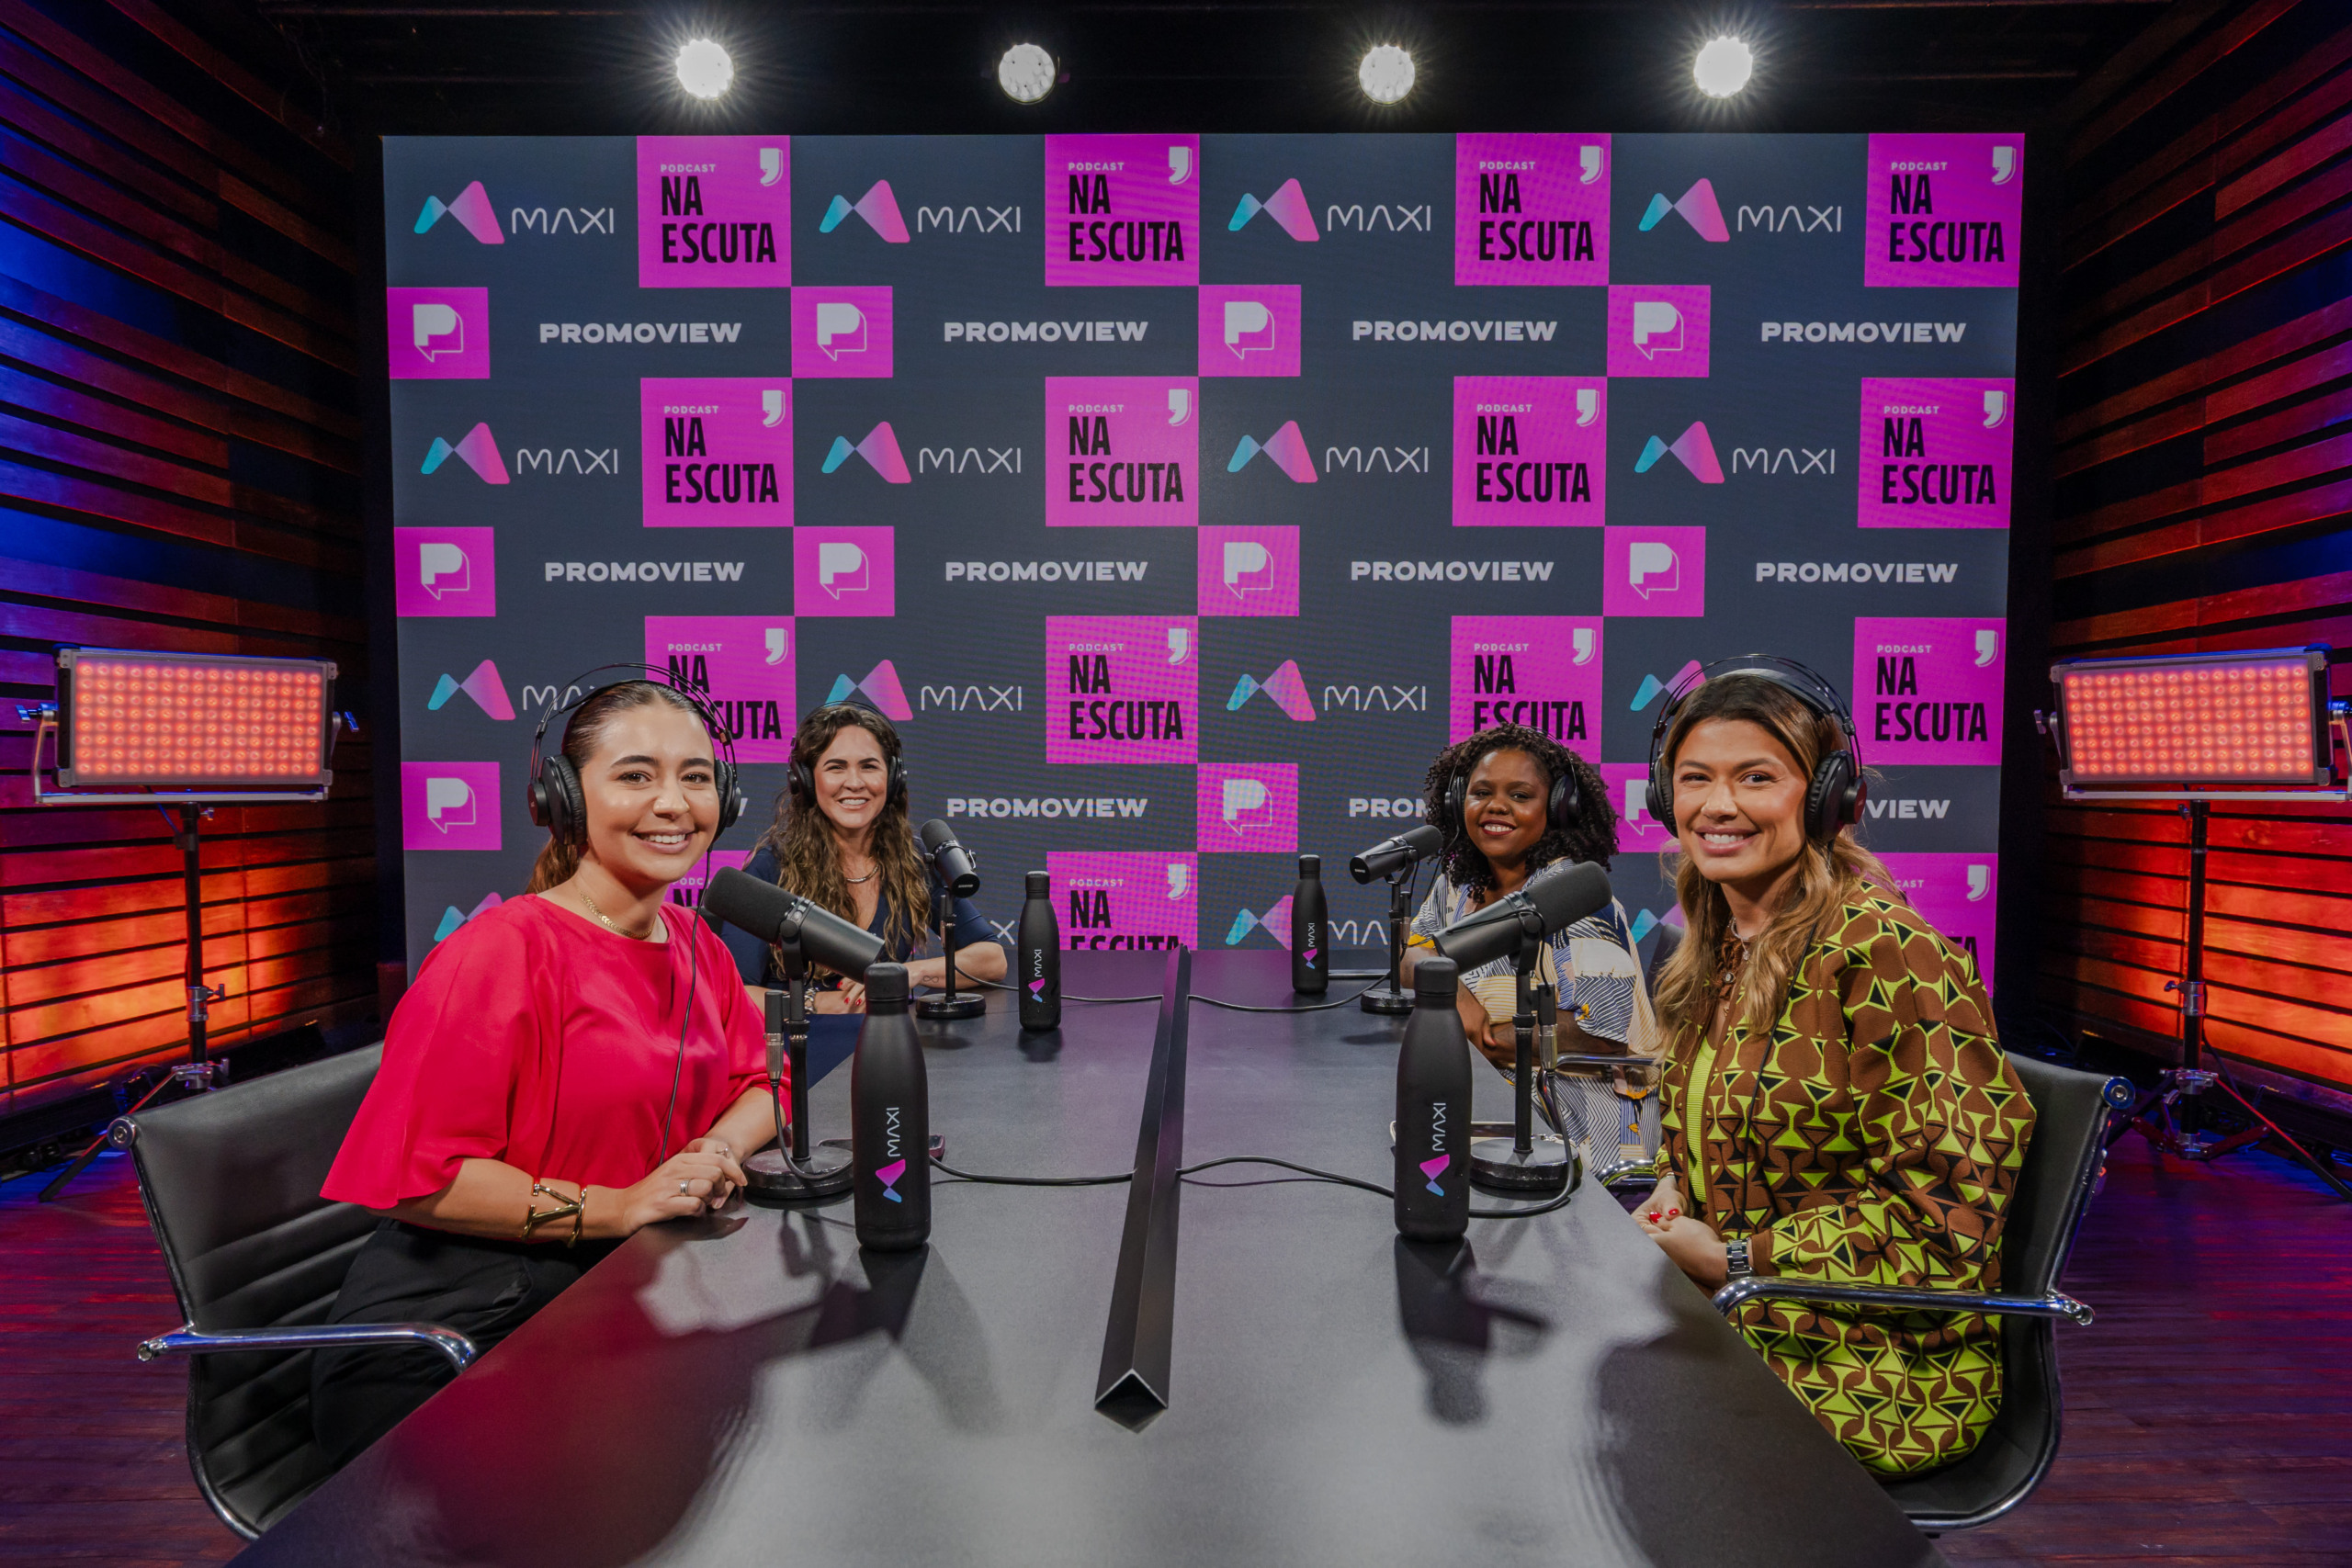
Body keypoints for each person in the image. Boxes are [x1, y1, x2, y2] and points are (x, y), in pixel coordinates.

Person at [311, 680, 776, 1467]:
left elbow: (760, 1087)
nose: (673, 802)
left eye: (695, 776)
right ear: (563, 797)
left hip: (606, 1295)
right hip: (459, 1338)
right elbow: (425, 1180)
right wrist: (620, 1205)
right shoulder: (500, 950)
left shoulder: (699, 942)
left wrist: (713, 1154)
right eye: (635, 775)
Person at [1635, 664, 2036, 1477]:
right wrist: (1677, 1184)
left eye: (1756, 777)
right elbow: (1724, 1132)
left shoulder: (1884, 952)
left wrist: (1738, 1258)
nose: (1718, 806)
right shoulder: (1718, 944)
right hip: (1746, 1314)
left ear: (1825, 798)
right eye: (1695, 779)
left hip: (1882, 1359)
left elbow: (1948, 1219)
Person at [1398, 725, 1659, 1158]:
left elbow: (1602, 1036)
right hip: (1491, 1087)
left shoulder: (1572, 899)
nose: (1496, 806)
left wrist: (1488, 1036)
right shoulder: (1458, 884)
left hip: (1575, 1114)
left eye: (1520, 795)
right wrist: (1457, 998)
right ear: (1458, 799)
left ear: (1557, 808)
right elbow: (1413, 952)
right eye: (1481, 792)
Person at [721, 703, 1004, 1008]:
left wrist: (907, 973)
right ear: (805, 780)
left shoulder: (914, 860)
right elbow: (733, 994)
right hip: (799, 1045)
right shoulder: (772, 868)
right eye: (836, 767)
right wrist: (826, 1003)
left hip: (886, 1043)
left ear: (893, 778)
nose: (855, 783)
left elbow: (991, 960)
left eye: (869, 766)